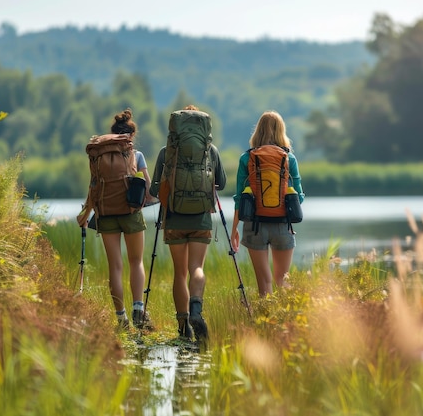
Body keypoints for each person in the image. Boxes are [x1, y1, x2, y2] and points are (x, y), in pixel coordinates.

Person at [149, 105, 226, 344]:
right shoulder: (209, 150)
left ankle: (183, 327)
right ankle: (196, 310)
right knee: (196, 269)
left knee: (179, 273)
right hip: (201, 217)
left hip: (174, 218)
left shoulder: (166, 152)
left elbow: (153, 190)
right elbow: (221, 183)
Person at [79, 108, 153, 330]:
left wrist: (85, 214)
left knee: (115, 266)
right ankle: (138, 307)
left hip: (106, 214)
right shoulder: (136, 155)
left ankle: (121, 318)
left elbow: (94, 186)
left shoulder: (99, 155)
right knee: (136, 261)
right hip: (131, 213)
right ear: (130, 136)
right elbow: (148, 189)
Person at [231, 110, 305, 297]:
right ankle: (286, 323)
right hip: (282, 225)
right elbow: (299, 196)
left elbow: (240, 197)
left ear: (258, 131)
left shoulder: (246, 158)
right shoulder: (289, 158)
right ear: (281, 131)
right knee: (282, 280)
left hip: (255, 226)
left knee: (264, 284)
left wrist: (234, 230)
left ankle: (265, 323)